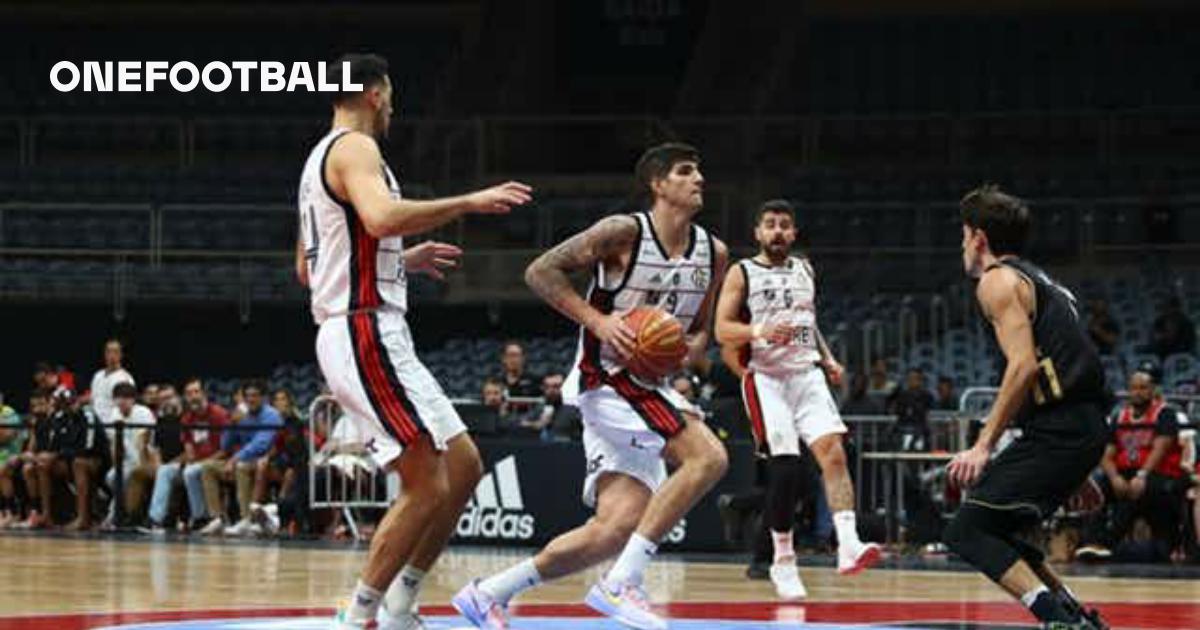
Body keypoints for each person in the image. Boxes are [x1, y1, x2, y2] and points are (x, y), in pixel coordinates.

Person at [296, 52, 530, 630]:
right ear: (375, 92)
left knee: (466, 465)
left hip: (367, 322)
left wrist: (396, 259)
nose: (394, 105)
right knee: (426, 484)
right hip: (361, 327)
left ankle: (403, 596)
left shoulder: (318, 160)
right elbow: (379, 218)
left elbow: (310, 265)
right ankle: (359, 616)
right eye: (391, 94)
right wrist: (468, 203)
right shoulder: (356, 148)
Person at [455, 142, 728, 630]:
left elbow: (701, 332)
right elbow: (540, 272)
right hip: (606, 378)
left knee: (613, 529)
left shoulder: (715, 252)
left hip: (648, 385)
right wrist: (598, 323)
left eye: (700, 171)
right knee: (708, 457)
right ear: (658, 184)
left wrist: (687, 348)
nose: (698, 179)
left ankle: (487, 593)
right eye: (686, 172)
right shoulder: (623, 232)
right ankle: (622, 583)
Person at [943, 185, 1110, 629]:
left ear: (977, 238)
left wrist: (983, 445)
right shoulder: (1044, 282)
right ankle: (1077, 617)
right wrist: (1081, 463)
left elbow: (1023, 368)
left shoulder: (996, 280)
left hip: (1062, 430)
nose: (962, 245)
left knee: (966, 531)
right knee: (1000, 530)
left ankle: (1057, 620)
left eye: (963, 236)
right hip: (1079, 426)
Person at [713, 199, 880, 600]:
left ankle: (848, 544)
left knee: (834, 455)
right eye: (769, 224)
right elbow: (722, 330)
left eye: (784, 225)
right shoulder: (743, 272)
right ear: (757, 232)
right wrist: (760, 331)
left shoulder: (806, 268)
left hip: (807, 375)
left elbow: (809, 321)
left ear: (794, 232)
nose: (777, 231)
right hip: (767, 379)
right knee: (786, 471)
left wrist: (826, 357)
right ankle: (783, 561)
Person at [1076, 367, 1189, 561]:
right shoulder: (1119, 416)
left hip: (1158, 473)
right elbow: (1107, 452)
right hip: (1124, 471)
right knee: (1098, 488)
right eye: (1134, 388)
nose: (1138, 392)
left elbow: (1160, 449)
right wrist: (1114, 477)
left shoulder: (1165, 413)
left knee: (1136, 491)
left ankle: (1105, 544)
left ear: (1153, 390)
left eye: (1143, 388)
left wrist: (1142, 475)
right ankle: (1090, 541)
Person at [177, 378, 229, 532]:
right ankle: (159, 520)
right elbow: (189, 449)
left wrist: (202, 462)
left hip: (221, 460)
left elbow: (226, 449)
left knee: (190, 472)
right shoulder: (187, 419)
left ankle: (201, 517)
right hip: (199, 462)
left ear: (204, 394)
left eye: (196, 392)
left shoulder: (219, 414)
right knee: (169, 471)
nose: (193, 396)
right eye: (189, 393)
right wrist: (190, 460)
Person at [104, 382, 157, 529]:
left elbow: (144, 443)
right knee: (112, 477)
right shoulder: (114, 414)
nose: (122, 401)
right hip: (126, 461)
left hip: (145, 458)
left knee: (127, 477)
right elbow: (114, 445)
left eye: (126, 398)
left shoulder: (143, 413)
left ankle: (115, 516)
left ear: (133, 399)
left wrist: (143, 467)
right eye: (118, 398)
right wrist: (117, 466)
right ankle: (121, 514)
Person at [86, 339, 135, 428]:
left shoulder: (125, 378)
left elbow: (127, 409)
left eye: (115, 352)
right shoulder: (97, 375)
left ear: (121, 355)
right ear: (105, 354)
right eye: (109, 351)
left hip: (112, 426)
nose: (112, 355)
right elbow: (93, 400)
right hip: (94, 426)